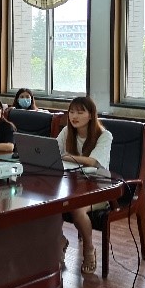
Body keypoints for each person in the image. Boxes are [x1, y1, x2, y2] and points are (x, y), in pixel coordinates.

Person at [57, 96, 113, 275]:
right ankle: (59, 240)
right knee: (49, 204)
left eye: (80, 112)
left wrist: (68, 157)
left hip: (100, 188)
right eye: (72, 112)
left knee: (77, 209)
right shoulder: (67, 131)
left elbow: (93, 161)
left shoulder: (104, 135)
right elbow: (54, 152)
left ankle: (89, 248)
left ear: (90, 115)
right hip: (73, 185)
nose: (74, 116)